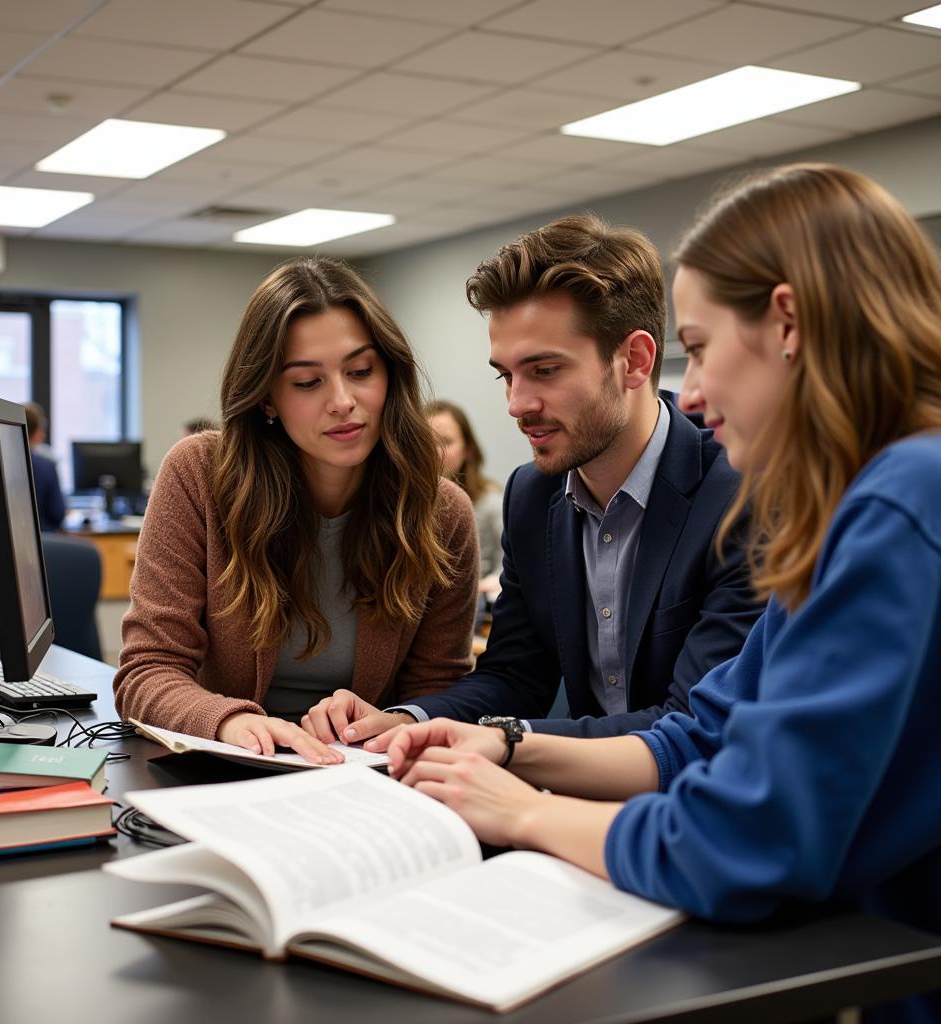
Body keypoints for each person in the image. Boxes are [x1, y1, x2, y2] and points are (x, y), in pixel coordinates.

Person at [383, 164, 941, 1024]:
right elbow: (700, 737)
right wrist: (503, 745)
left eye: (705, 347)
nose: (701, 393)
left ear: (787, 324)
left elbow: (747, 838)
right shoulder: (848, 508)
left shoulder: (905, 498)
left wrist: (526, 814)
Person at [303, 213, 761, 746]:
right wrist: (407, 720)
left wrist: (506, 745)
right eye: (506, 374)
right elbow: (513, 678)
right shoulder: (533, 495)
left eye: (545, 370)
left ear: (634, 361)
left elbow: (691, 725)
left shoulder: (738, 490)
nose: (517, 404)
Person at [114, 257, 479, 764]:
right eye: (308, 382)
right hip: (225, 768)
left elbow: (439, 689)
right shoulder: (199, 475)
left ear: (389, 375)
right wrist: (235, 723)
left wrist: (397, 719)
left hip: (361, 776)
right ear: (267, 398)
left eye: (360, 371)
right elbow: (147, 671)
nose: (343, 401)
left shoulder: (441, 512)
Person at [427, 399, 503, 601]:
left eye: (446, 441)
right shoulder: (406, 506)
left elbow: (509, 569)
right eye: (426, 441)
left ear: (468, 448)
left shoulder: (491, 504)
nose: (435, 452)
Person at [24, 401, 66, 532]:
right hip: (43, 541)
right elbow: (57, 514)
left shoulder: (1, 463)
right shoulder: (46, 467)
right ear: (36, 432)